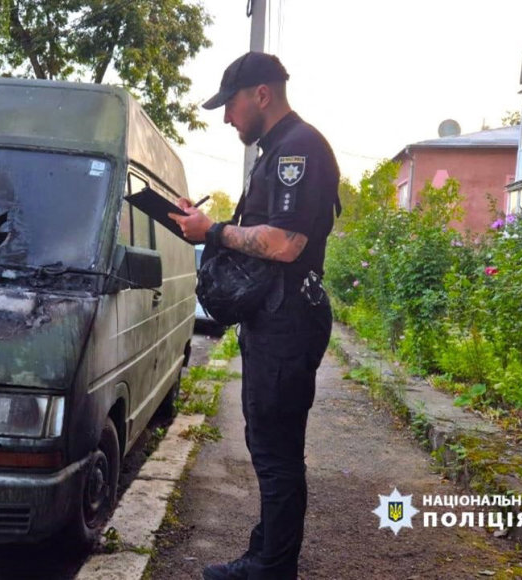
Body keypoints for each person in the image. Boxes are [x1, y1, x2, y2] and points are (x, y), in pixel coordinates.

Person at [168, 52, 340, 580]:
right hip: (276, 317)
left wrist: (213, 231)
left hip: (288, 317)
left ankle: (271, 566)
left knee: (275, 448)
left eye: (230, 105)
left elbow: (286, 243)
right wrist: (204, 224)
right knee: (271, 442)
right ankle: (268, 553)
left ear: (260, 94)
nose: (226, 118)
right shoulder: (276, 151)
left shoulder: (299, 148)